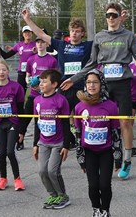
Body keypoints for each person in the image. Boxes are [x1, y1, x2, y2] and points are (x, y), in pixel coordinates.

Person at [62, 3, 136, 180]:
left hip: (122, 84)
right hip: (104, 84)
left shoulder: (128, 36)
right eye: (108, 15)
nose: (111, 18)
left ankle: (127, 161)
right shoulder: (99, 37)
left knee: (125, 123)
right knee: (102, 123)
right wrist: (73, 79)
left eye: (114, 15)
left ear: (120, 17)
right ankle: (108, 159)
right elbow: (91, 64)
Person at [74, 69, 123, 217]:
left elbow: (115, 132)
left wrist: (118, 157)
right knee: (94, 185)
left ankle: (105, 210)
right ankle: (96, 210)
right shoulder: (79, 106)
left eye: (95, 82)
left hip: (106, 151)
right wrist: (80, 158)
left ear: (101, 84)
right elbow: (78, 133)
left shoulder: (111, 106)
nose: (92, 85)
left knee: (105, 185)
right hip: (89, 153)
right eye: (88, 82)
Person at [0, 26, 37, 150]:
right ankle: (19, 138)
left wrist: (37, 50)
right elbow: (5, 56)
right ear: (22, 34)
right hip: (22, 74)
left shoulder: (36, 44)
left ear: (32, 34)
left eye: (29, 32)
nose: (27, 34)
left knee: (32, 101)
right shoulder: (19, 45)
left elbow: (48, 50)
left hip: (34, 75)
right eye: (25, 32)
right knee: (19, 105)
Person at [33, 69, 73, 209]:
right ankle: (53, 195)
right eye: (41, 81)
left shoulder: (61, 100)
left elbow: (66, 124)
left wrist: (66, 146)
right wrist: (35, 144)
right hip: (43, 142)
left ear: (54, 84)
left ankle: (63, 196)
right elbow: (37, 123)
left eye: (45, 81)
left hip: (58, 143)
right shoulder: (37, 100)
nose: (41, 84)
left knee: (52, 171)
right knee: (42, 171)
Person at [0, 60, 26, 191]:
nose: (1, 72)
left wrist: (22, 131)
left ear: (8, 71)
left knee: (10, 152)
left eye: (4, 70)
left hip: (13, 122)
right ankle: (3, 179)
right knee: (1, 153)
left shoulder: (16, 87)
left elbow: (21, 109)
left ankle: (17, 179)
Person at [20, 36, 58, 146]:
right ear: (35, 44)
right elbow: (27, 76)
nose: (40, 44)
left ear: (47, 44)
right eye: (38, 42)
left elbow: (54, 78)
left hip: (45, 96)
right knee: (25, 117)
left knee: (40, 120)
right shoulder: (31, 59)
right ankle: (20, 139)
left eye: (42, 42)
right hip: (33, 94)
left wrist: (44, 86)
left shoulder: (52, 60)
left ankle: (37, 143)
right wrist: (30, 82)